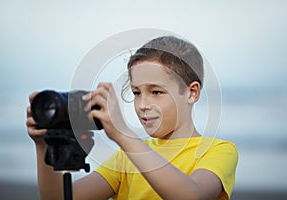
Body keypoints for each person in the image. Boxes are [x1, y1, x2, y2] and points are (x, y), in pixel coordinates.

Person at [26, 36, 238, 200]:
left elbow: (191, 196)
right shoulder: (126, 158)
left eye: (156, 92)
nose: (143, 104)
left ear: (192, 93)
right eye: (137, 93)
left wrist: (123, 134)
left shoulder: (217, 151)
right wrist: (44, 146)